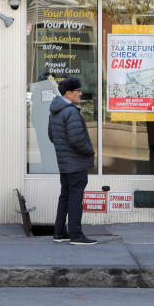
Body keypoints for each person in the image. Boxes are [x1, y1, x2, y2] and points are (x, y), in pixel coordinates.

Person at [48, 77, 97, 245]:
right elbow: (77, 140)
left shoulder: (55, 111)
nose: (81, 94)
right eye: (78, 91)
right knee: (76, 197)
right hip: (76, 162)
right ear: (68, 93)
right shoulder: (71, 111)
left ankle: (59, 232)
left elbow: (52, 136)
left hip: (64, 161)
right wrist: (90, 150)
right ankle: (76, 234)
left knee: (65, 195)